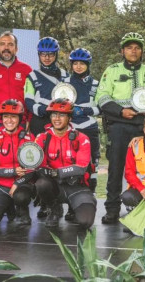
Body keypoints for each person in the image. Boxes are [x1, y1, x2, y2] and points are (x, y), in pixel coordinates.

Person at [96, 32, 145, 224]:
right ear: (122, 51)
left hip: (144, 127)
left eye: (137, 48)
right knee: (116, 168)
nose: (133, 51)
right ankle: (112, 209)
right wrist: (120, 111)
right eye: (129, 48)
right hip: (120, 125)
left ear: (142, 51)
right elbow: (101, 97)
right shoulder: (112, 70)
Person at [35, 98, 96, 229]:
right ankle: (54, 208)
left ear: (69, 118)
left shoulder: (82, 138)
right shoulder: (42, 138)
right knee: (41, 184)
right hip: (55, 187)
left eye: (62, 115)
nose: (57, 118)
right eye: (53, 114)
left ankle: (76, 206)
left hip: (77, 186)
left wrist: (57, 172)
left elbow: (81, 167)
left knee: (85, 221)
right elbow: (38, 165)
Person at [24, 36, 68, 219]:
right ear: (39, 55)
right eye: (43, 54)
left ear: (56, 54)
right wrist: (45, 110)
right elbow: (28, 100)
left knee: (60, 160)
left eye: (50, 54)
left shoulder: (65, 75)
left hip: (60, 122)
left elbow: (69, 97)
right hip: (40, 122)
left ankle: (63, 200)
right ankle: (44, 202)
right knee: (40, 162)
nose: (47, 58)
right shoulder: (32, 76)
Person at [62, 48, 100, 220]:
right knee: (71, 166)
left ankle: (89, 201)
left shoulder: (95, 84)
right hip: (69, 128)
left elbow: (100, 107)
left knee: (91, 167)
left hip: (89, 127)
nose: (78, 66)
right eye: (75, 63)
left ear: (88, 65)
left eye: (82, 63)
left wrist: (84, 110)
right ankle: (71, 206)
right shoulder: (64, 82)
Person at [0, 100, 35, 226]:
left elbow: (32, 168)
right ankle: (8, 206)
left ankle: (22, 209)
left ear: (19, 118)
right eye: (5, 117)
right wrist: (14, 171)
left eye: (13, 116)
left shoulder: (29, 138)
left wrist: (17, 182)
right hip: (1, 186)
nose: (9, 120)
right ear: (2, 118)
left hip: (22, 185)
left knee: (21, 196)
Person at [0, 31, 32, 134]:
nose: (6, 47)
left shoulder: (26, 70)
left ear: (16, 49)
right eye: (2, 44)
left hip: (19, 122)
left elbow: (31, 97)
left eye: (10, 44)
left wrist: (29, 120)